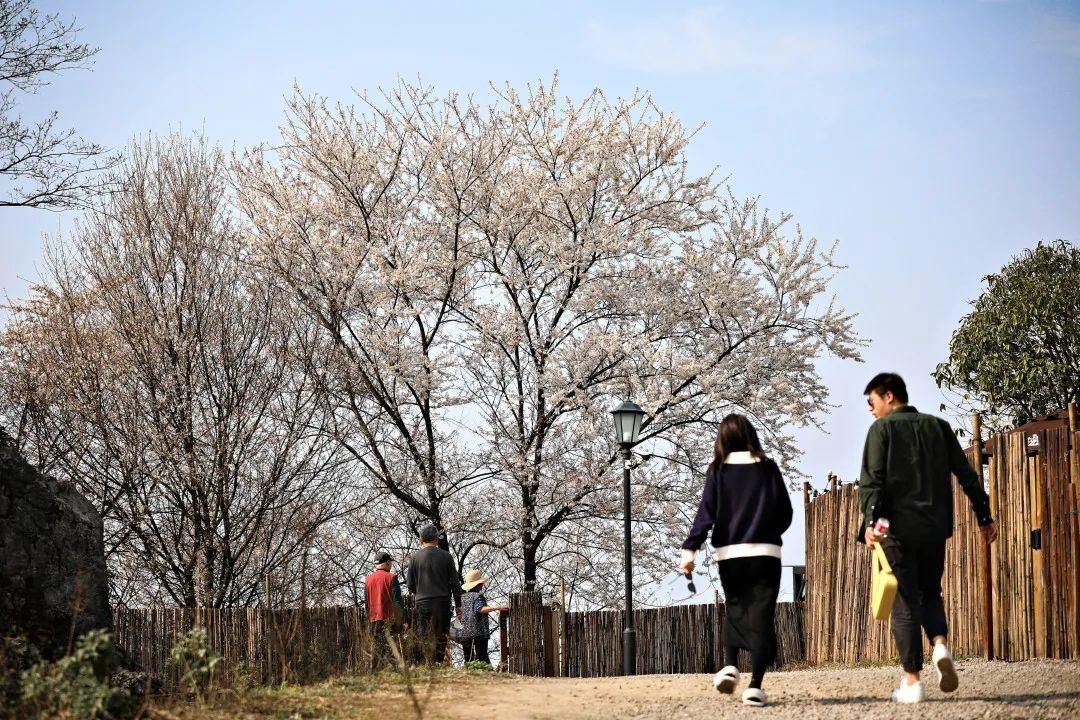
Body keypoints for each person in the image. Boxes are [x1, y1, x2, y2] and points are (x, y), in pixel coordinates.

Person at [858, 372, 998, 703]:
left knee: (904, 600)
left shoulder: (882, 429)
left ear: (888, 396)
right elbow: (967, 475)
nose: (870, 409)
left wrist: (870, 523)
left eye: (872, 402)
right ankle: (940, 646)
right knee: (930, 592)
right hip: (935, 528)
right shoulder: (938, 427)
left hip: (896, 529)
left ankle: (912, 681)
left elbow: (873, 481)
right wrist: (984, 515)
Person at [679, 414, 793, 708]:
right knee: (761, 613)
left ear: (723, 439)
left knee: (736, 606)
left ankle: (730, 665)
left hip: (731, 554)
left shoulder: (718, 470)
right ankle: (755, 685)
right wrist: (768, 532)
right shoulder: (767, 468)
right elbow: (785, 512)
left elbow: (706, 512)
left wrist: (690, 549)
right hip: (766, 552)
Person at [405, 524, 462, 664]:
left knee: (424, 633)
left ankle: (426, 662)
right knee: (441, 634)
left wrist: (419, 591)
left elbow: (410, 584)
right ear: (437, 539)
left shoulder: (414, 558)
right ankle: (437, 662)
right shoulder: (447, 557)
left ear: (420, 540)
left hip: (422, 602)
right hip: (442, 602)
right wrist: (458, 605)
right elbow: (455, 583)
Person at [455, 569, 508, 667]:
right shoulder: (478, 596)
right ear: (478, 584)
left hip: (463, 632)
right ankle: (486, 674)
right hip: (478, 631)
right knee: (481, 656)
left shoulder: (462, 597)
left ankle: (470, 675)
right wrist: (497, 607)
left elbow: (458, 613)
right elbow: (479, 609)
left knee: (468, 658)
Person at [364, 551, 405, 670]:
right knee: (391, 648)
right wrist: (403, 620)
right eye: (390, 562)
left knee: (377, 648)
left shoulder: (368, 580)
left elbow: (367, 602)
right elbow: (397, 601)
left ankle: (376, 672)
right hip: (389, 619)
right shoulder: (391, 577)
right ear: (387, 563)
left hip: (374, 619)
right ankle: (393, 672)